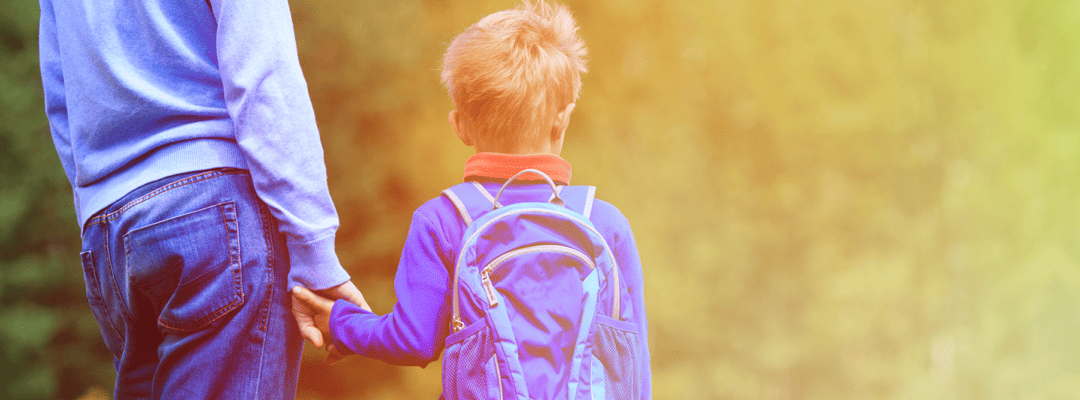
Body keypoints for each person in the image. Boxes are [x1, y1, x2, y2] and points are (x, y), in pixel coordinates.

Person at [291, 1, 652, 398]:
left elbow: (413, 341)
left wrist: (341, 323)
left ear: (459, 126)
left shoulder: (443, 220)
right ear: (562, 118)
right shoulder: (605, 223)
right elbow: (632, 359)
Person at [38, 0, 367, 397]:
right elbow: (262, 73)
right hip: (212, 212)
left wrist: (96, 208)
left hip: (109, 229)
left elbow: (60, 93)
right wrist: (314, 251)